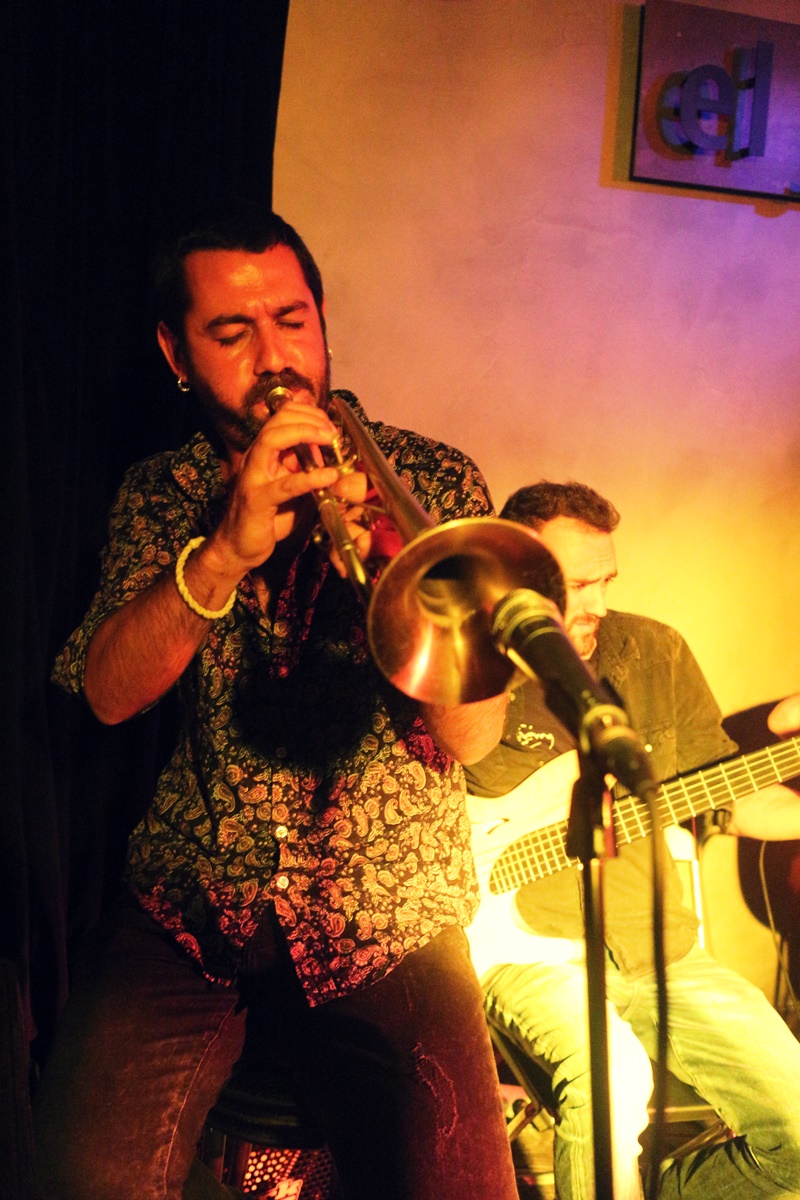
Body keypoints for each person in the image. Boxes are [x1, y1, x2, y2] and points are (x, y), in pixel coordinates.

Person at [32, 201, 519, 1200]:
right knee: (72, 1175)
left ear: (322, 319)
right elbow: (107, 695)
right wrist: (224, 551)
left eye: (292, 320)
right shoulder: (162, 492)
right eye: (231, 332)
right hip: (189, 908)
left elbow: (474, 739)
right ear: (175, 353)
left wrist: (391, 580)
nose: (274, 358)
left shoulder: (430, 479)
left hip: (390, 914)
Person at [465, 480, 800, 1200]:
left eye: (606, 580)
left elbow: (731, 796)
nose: (597, 603)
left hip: (657, 949)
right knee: (612, 1082)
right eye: (575, 584)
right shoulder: (466, 669)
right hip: (520, 952)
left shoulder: (653, 652)